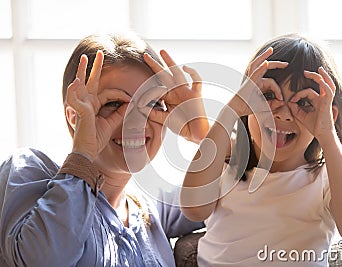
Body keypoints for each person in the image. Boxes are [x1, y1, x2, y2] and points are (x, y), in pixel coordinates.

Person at [0, 32, 209, 266]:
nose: (135, 122)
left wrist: (206, 137)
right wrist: (83, 155)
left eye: (152, 104)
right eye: (114, 104)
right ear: (73, 116)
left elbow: (239, 200)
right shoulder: (29, 168)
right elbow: (43, 259)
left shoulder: (150, 205)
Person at [181, 33, 342, 266]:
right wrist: (232, 109)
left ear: (328, 116)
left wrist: (327, 134)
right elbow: (193, 208)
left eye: (303, 103)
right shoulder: (226, 162)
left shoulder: (324, 179)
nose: (283, 114)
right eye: (269, 96)